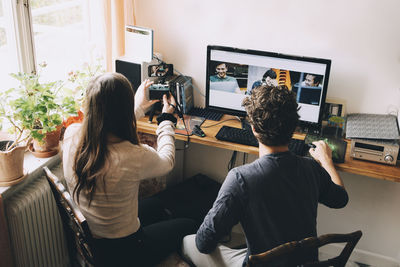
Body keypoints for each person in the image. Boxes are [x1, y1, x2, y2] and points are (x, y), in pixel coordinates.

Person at [181, 85, 348, 267]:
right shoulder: (311, 168)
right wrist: (326, 162)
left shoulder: (240, 178)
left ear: (253, 128)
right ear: (294, 128)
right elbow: (340, 199)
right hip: (304, 264)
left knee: (188, 243)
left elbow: (204, 243)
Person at [62, 72, 197, 267]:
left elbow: (105, 124)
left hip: (93, 239)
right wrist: (167, 119)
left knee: (157, 205)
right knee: (189, 224)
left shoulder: (72, 134)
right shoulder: (131, 155)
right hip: (127, 250)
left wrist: (138, 107)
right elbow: (167, 161)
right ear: (123, 110)